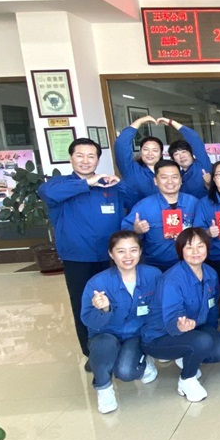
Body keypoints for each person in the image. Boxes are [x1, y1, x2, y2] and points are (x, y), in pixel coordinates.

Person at [38, 138, 125, 368]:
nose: (86, 161)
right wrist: (87, 183)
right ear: (71, 158)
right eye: (80, 155)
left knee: (115, 301)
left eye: (91, 156)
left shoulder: (108, 185)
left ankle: (117, 347)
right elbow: (45, 192)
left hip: (110, 258)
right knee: (83, 304)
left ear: (98, 159)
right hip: (78, 258)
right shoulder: (60, 185)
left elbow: (132, 200)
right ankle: (92, 353)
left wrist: (118, 184)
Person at [141, 228, 220, 402]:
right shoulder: (173, 279)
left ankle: (187, 354)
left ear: (207, 248)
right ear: (180, 250)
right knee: (202, 341)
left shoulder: (210, 273)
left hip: (194, 329)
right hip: (160, 336)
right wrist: (180, 325)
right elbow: (173, 316)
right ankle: (186, 380)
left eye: (200, 246)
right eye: (189, 247)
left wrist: (211, 332)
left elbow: (212, 308)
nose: (195, 252)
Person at [81, 231, 161, 413]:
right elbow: (88, 321)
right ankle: (104, 389)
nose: (128, 256)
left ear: (140, 251)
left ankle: (144, 360)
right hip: (105, 334)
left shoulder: (153, 275)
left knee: (125, 371)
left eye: (133, 250)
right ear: (111, 254)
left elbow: (160, 309)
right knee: (104, 347)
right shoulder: (97, 283)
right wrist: (104, 310)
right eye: (121, 251)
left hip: (137, 335)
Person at [122, 160, 199, 271]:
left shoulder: (193, 203)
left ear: (181, 180)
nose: (170, 181)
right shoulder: (143, 206)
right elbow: (124, 231)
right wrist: (135, 230)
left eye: (174, 177)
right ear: (155, 181)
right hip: (155, 266)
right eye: (164, 177)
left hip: (189, 263)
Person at [114, 115, 163, 209]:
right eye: (146, 149)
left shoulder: (169, 170)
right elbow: (121, 145)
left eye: (155, 150)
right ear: (141, 152)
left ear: (161, 154)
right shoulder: (131, 170)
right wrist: (139, 121)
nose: (150, 153)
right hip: (138, 216)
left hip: (168, 215)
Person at [165, 117, 211, 199]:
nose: (181, 156)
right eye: (176, 154)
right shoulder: (178, 175)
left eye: (184, 152)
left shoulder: (202, 165)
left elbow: (194, 138)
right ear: (173, 159)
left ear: (191, 153)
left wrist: (172, 122)